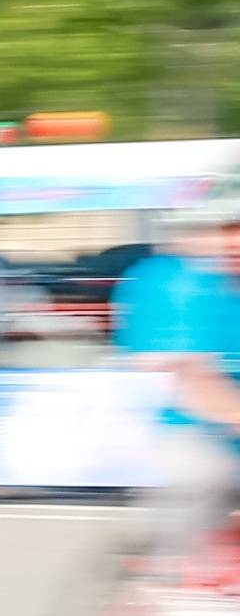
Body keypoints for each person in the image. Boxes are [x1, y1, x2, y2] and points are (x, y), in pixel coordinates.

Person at [113, 181, 240, 566]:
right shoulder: (173, 283)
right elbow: (193, 382)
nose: (234, 243)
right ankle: (172, 586)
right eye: (226, 230)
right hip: (192, 429)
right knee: (204, 478)